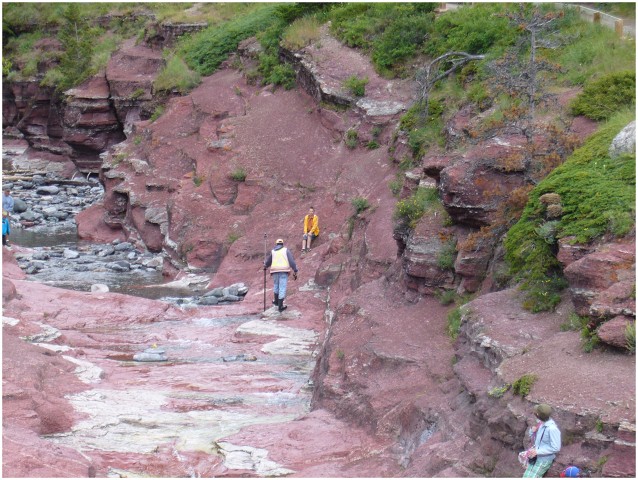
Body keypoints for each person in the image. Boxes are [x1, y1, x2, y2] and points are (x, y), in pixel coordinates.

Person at [523, 403, 562, 478]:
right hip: (536, 457)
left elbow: (556, 448)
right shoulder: (541, 424)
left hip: (543, 460)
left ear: (537, 414)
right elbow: (536, 440)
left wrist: (537, 452)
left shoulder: (552, 429)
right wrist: (532, 431)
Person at [264, 238, 298, 312]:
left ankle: (276, 302)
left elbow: (268, 262)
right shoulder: (286, 250)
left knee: (276, 285)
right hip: (283, 271)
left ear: (276, 244)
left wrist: (265, 265)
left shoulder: (273, 251)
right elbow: (291, 261)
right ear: (282, 244)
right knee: (282, 287)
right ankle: (280, 306)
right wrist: (295, 269)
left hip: (274, 271)